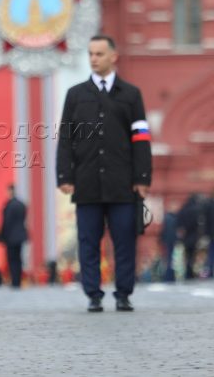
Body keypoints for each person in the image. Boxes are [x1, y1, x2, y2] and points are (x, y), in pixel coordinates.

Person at [56, 34, 152, 313]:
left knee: (124, 240)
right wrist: (64, 176)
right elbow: (65, 138)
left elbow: (141, 138)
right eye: (90, 54)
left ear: (113, 57)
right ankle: (93, 294)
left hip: (123, 184)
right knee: (88, 241)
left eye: (99, 54)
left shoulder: (131, 95)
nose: (94, 59)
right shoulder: (76, 95)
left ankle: (123, 293)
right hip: (86, 183)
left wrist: (142, 179)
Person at [2, 184, 28, 288]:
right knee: (19, 258)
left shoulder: (9, 205)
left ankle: (14, 281)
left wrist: (3, 236)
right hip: (21, 235)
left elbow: (7, 222)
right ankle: (18, 280)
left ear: (10, 191)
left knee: (12, 259)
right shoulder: (22, 204)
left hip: (11, 237)